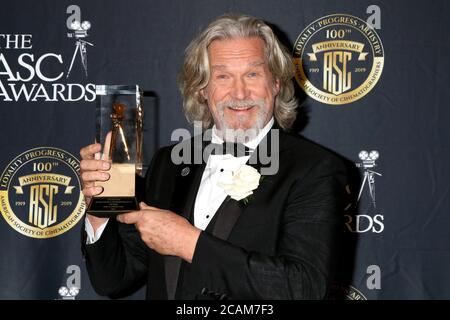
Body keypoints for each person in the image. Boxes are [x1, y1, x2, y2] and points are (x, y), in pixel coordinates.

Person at [79, 13, 347, 300]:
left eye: (253, 74)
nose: (240, 92)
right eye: (223, 76)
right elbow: (113, 280)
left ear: (277, 84)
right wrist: (99, 211)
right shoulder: (169, 163)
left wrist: (189, 243)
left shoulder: (314, 168)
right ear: (202, 90)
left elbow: (303, 288)